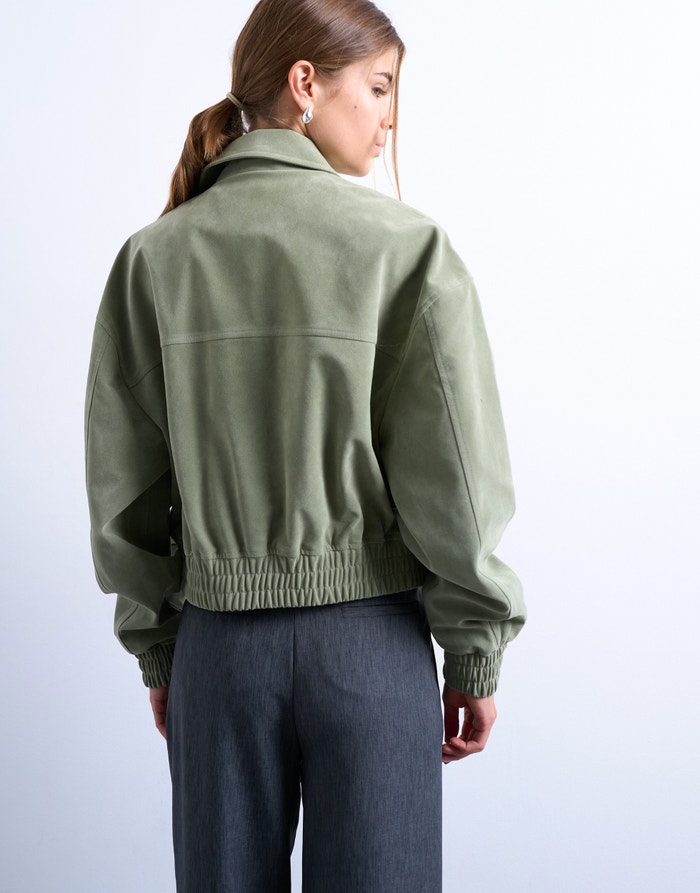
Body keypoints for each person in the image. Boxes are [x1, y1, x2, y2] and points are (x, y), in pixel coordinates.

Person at [85, 0, 526, 890]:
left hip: (218, 655)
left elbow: (124, 484)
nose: (389, 117)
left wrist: (160, 646)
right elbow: (454, 479)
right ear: (304, 84)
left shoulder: (153, 257)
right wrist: (473, 647)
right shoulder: (406, 248)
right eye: (379, 87)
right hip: (370, 652)